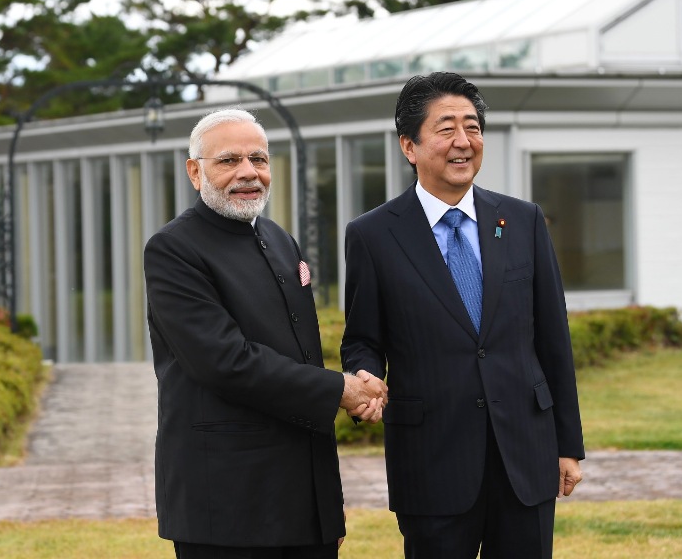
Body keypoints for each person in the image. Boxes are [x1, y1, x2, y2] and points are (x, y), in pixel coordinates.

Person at [341, 72, 584, 558]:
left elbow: (553, 340)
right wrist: (364, 377)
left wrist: (568, 443)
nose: (463, 141)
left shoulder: (522, 220)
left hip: (525, 453)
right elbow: (362, 336)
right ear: (409, 146)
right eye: (446, 128)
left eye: (472, 127)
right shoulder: (372, 234)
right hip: (431, 460)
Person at [144, 107, 387, 559]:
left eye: (259, 159)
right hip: (225, 505)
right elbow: (226, 362)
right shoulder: (173, 249)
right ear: (194, 172)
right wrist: (341, 389)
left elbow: (301, 357)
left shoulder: (279, 240)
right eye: (229, 160)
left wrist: (325, 509)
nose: (248, 173)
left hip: (303, 501)